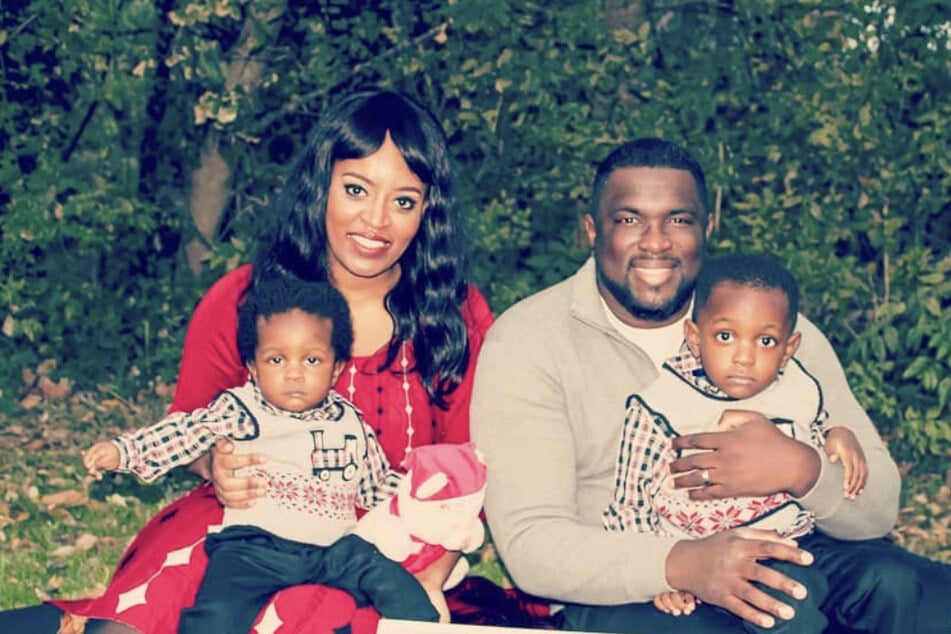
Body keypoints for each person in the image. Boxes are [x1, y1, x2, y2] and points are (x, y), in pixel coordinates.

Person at [0, 88, 495, 634]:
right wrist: (217, 465)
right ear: (321, 186)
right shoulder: (245, 299)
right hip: (242, 528)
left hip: (371, 548)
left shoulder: (455, 315)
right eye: (356, 189)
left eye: (404, 200)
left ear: (428, 212)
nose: (376, 221)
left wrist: (432, 575)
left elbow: (470, 471)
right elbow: (189, 426)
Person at [471, 137, 951, 634]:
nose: (655, 241)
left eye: (678, 219)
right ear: (592, 230)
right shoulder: (531, 339)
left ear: (707, 229)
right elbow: (532, 545)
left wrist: (804, 470)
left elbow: (878, 510)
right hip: (636, 584)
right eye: (629, 219)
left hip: (794, 546)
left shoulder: (770, 327)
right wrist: (682, 563)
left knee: (918, 594)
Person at [82, 275, 442, 631]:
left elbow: (375, 484)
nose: (294, 373)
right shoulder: (244, 408)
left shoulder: (350, 422)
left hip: (333, 550)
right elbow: (184, 433)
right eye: (276, 360)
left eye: (312, 360)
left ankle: (425, 628)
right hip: (255, 548)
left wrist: (426, 497)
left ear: (336, 368)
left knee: (395, 584)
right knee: (217, 613)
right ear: (252, 368)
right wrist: (124, 451)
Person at [604, 253, 867, 632]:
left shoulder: (795, 388)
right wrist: (659, 574)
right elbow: (630, 505)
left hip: (789, 546)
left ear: (788, 348)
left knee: (882, 586)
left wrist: (838, 436)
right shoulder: (659, 407)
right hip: (694, 556)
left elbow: (815, 432)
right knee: (789, 613)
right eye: (725, 336)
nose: (744, 357)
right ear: (695, 337)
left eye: (765, 340)